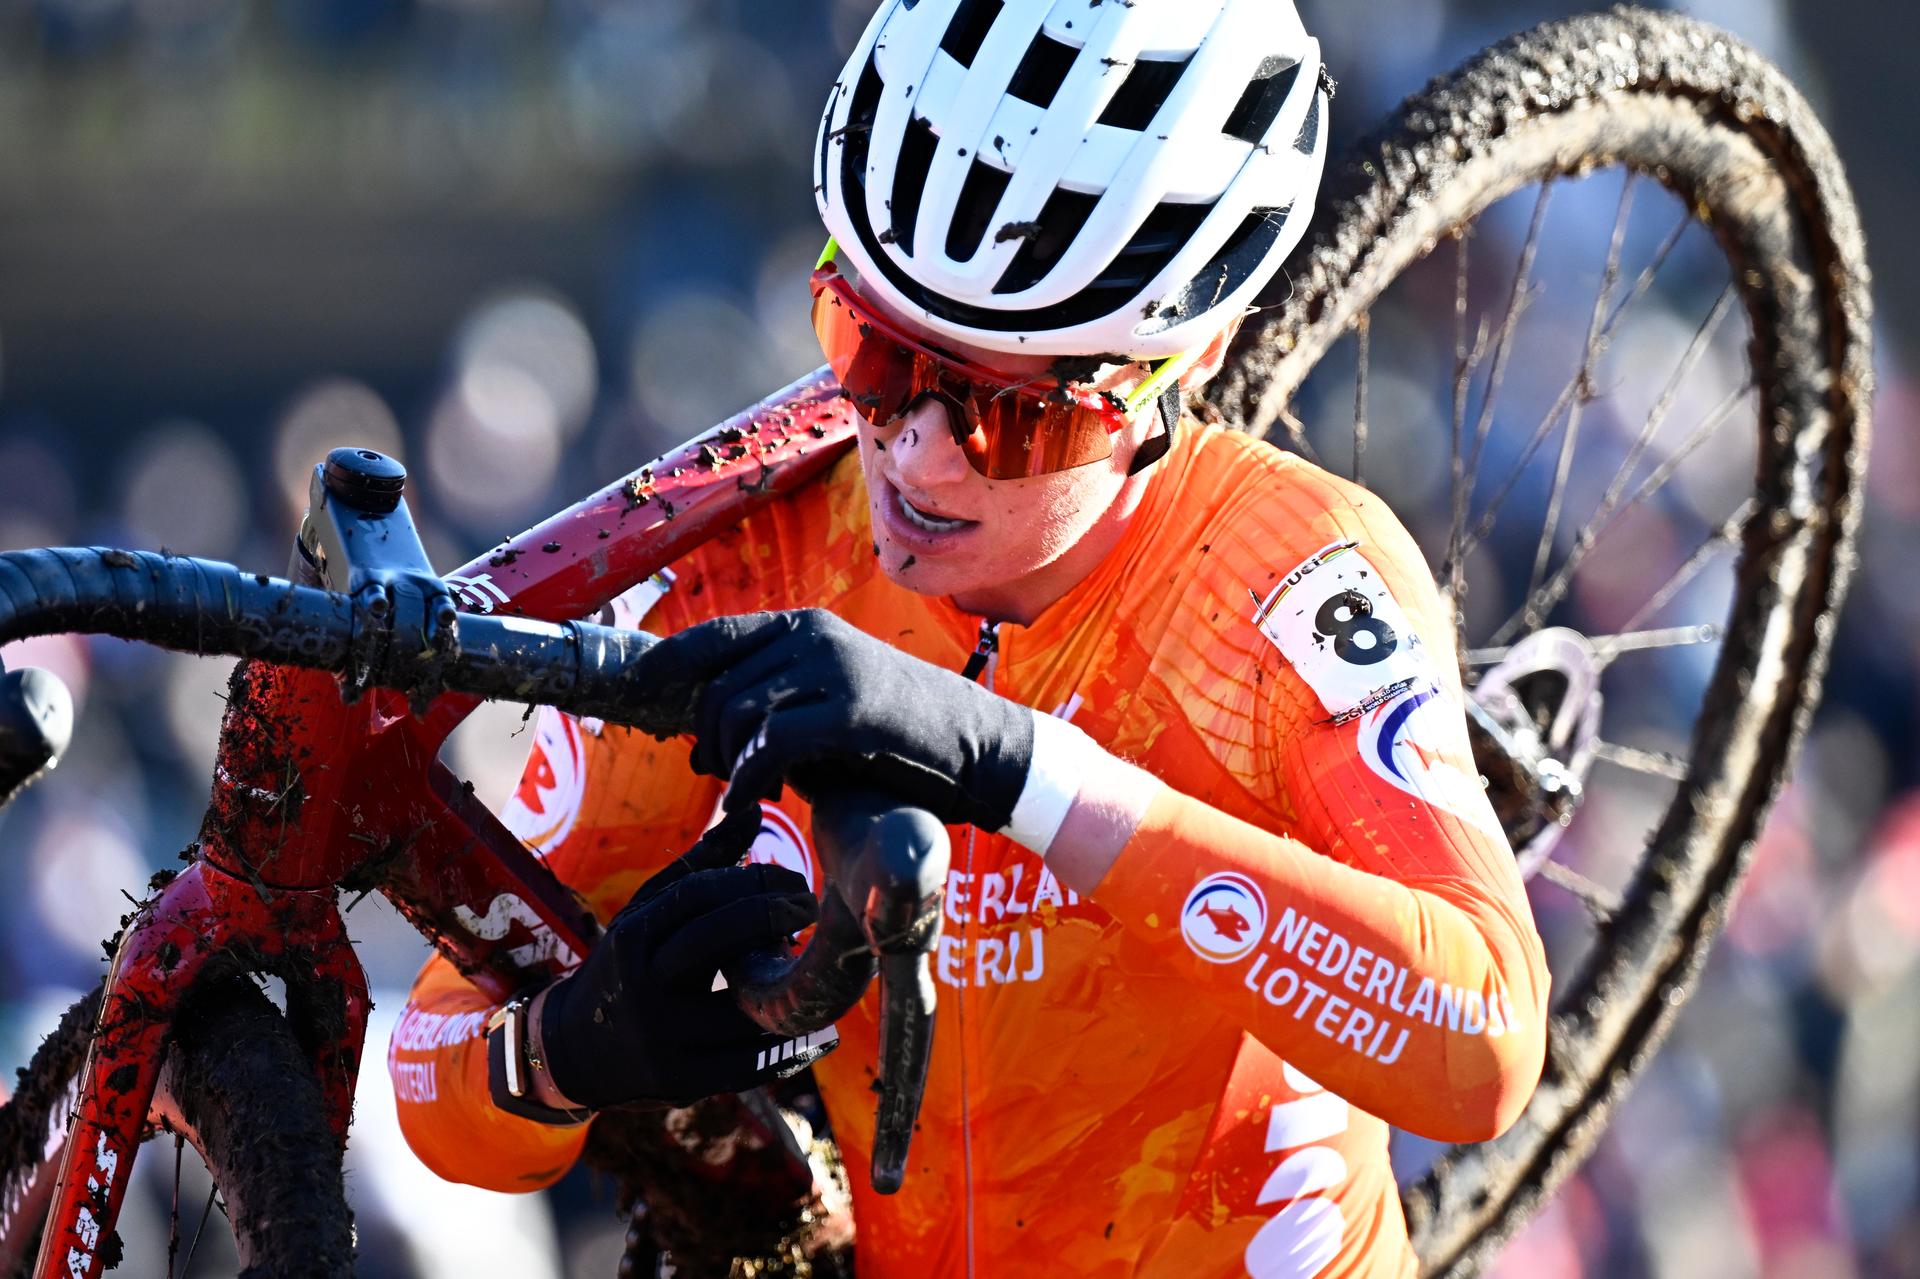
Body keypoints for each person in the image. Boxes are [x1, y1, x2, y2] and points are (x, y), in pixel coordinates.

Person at [390, 2, 1549, 1274]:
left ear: (1184, 358)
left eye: (1013, 414)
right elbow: (429, 1072)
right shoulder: (754, 563)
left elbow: (1484, 1046)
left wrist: (1024, 771)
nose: (918, 455)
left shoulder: (1284, 571)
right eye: (873, 355)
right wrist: (564, 1051)